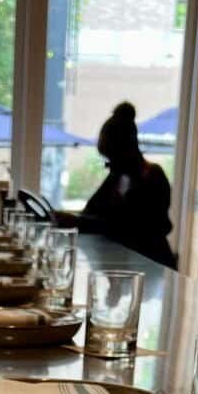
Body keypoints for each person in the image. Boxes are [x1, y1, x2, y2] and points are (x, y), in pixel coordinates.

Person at [57, 102, 177, 269]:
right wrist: (73, 220)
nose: (110, 163)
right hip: (125, 264)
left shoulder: (153, 177)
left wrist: (78, 222)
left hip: (151, 266)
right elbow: (93, 213)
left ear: (127, 148)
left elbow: (134, 228)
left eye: (112, 157)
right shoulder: (117, 177)